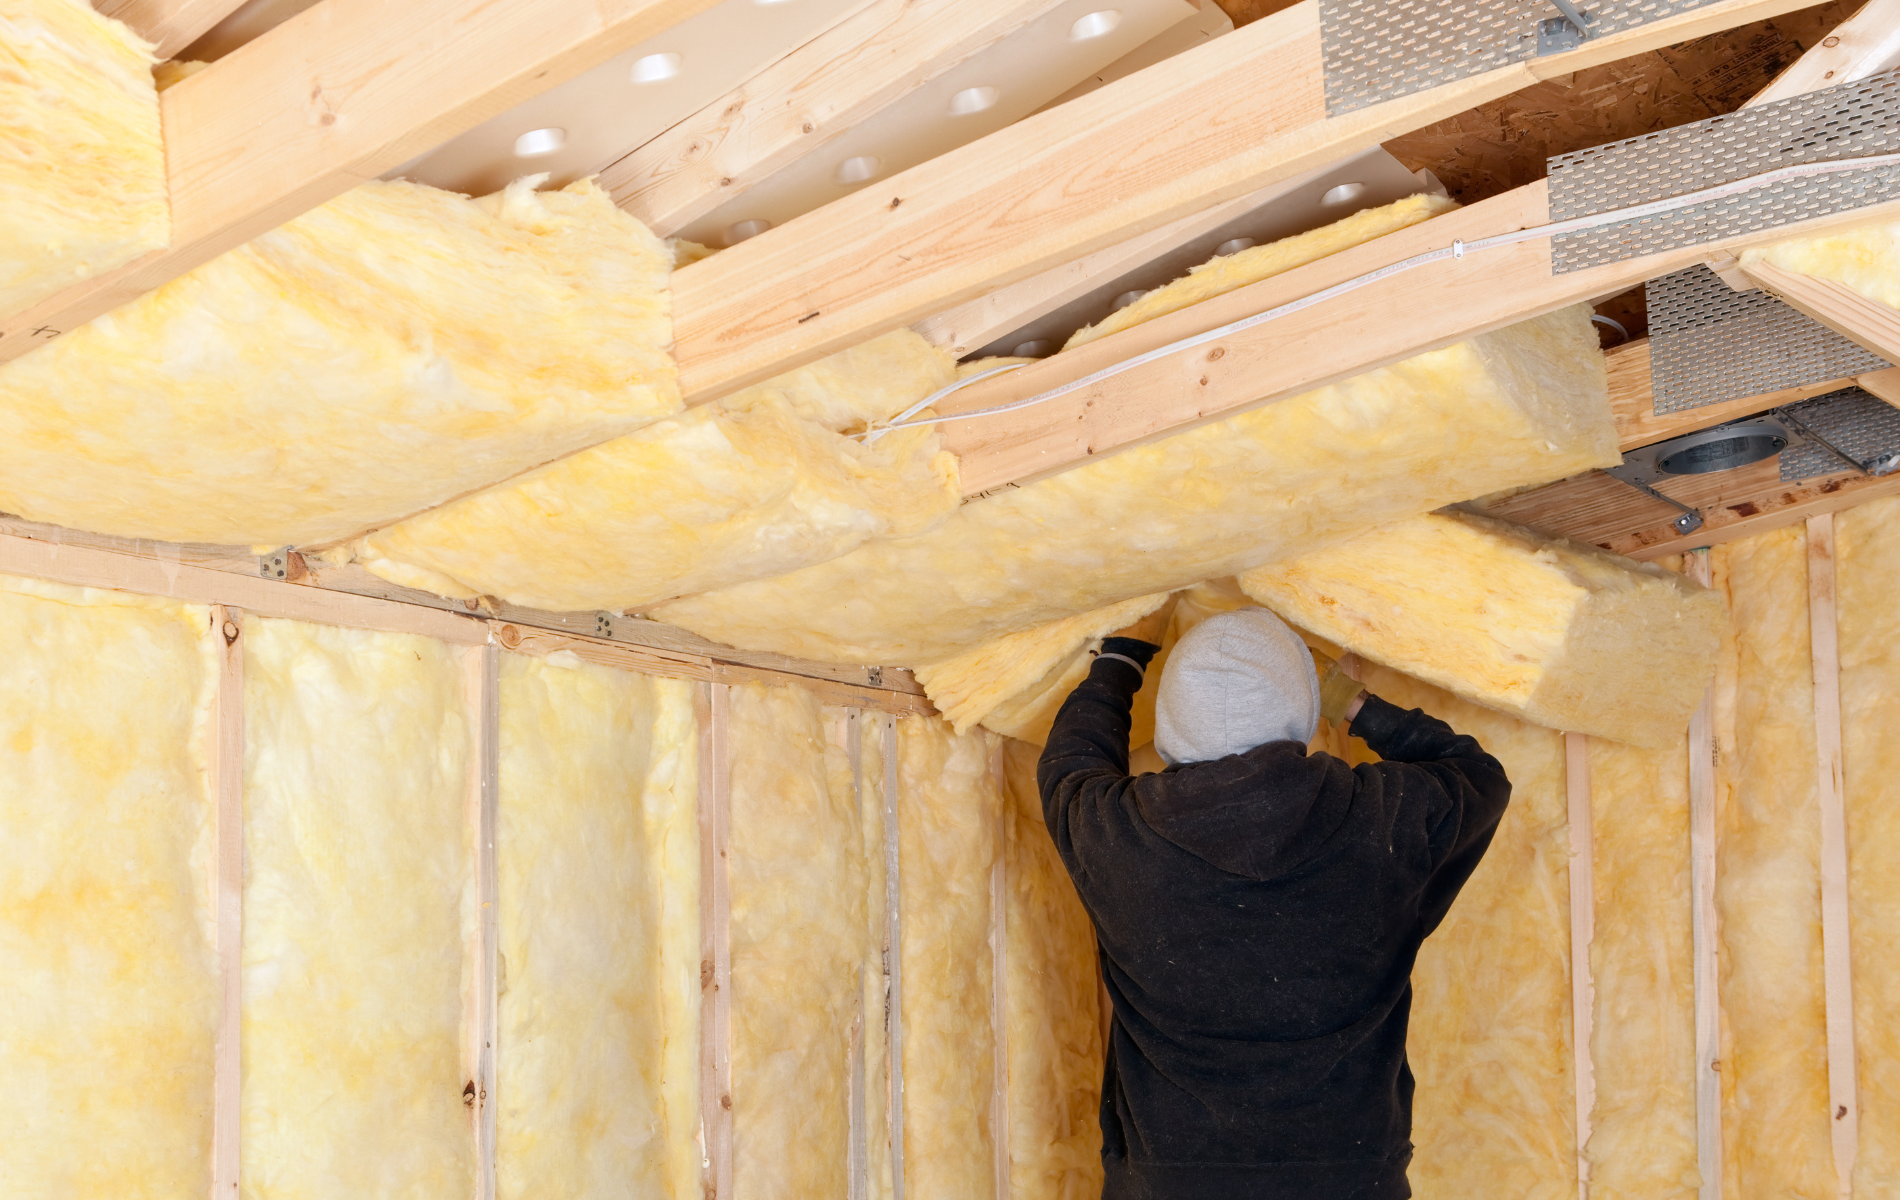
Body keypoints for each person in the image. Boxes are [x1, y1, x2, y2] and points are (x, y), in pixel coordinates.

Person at [1038, 596, 1512, 1200]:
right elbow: (1477, 774)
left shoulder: (1115, 837)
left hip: (1172, 1181)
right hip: (1348, 1175)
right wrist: (1352, 703)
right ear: (1301, 715)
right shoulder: (1384, 822)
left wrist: (1124, 657)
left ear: (1170, 727)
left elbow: (1069, 762)